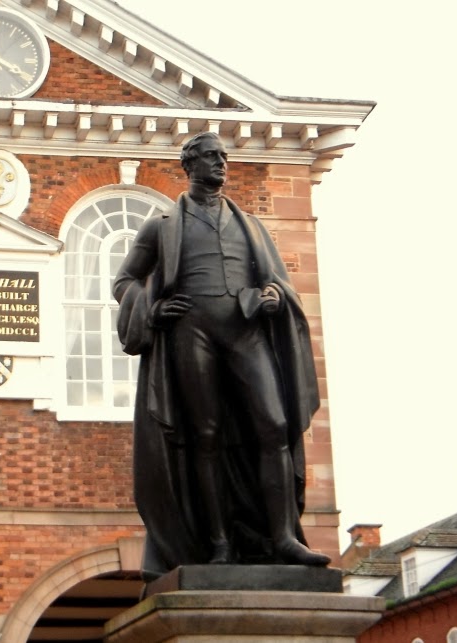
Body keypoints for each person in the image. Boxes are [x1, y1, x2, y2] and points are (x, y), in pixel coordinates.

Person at [113, 131, 331, 578]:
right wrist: (152, 309)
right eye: (211, 157)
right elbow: (123, 282)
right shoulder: (162, 226)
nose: (221, 164)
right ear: (189, 165)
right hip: (192, 333)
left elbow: (279, 281)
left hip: (245, 331)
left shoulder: (249, 225)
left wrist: (273, 295)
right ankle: (217, 544)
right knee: (204, 436)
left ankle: (283, 537)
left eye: (223, 157)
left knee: (273, 425)